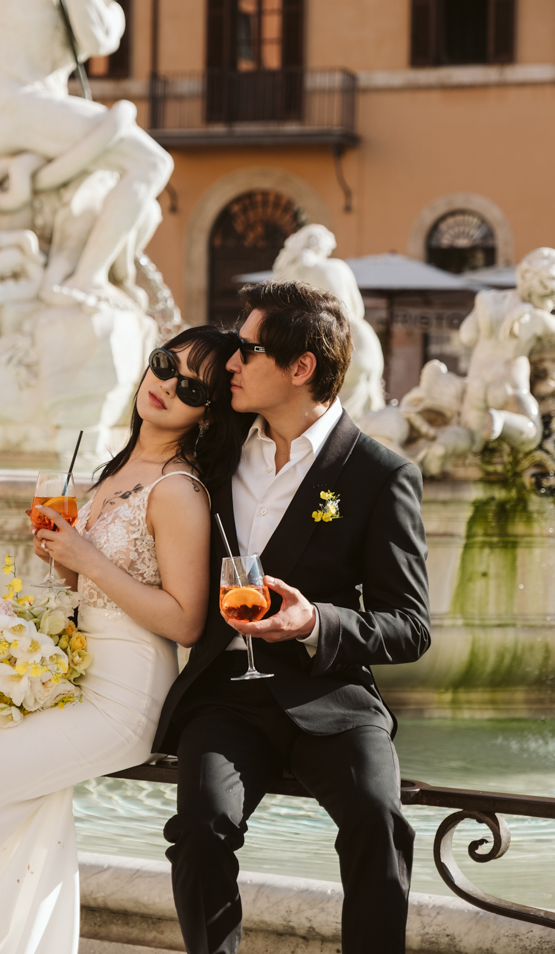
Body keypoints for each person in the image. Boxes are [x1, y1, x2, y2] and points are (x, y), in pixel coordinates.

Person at [0, 325, 243, 954]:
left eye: (190, 387)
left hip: (122, 700)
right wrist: (61, 558)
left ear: (208, 413)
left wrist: (87, 558)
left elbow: (184, 620)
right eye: (162, 365)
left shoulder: (179, 489)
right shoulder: (112, 471)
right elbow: (82, 591)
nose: (165, 387)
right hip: (69, 680)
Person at [155, 282, 431, 954]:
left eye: (247, 351)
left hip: (330, 695)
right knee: (197, 826)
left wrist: (315, 623)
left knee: (376, 818)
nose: (231, 364)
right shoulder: (217, 448)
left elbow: (409, 624)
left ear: (299, 367)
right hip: (224, 698)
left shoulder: (377, 473)